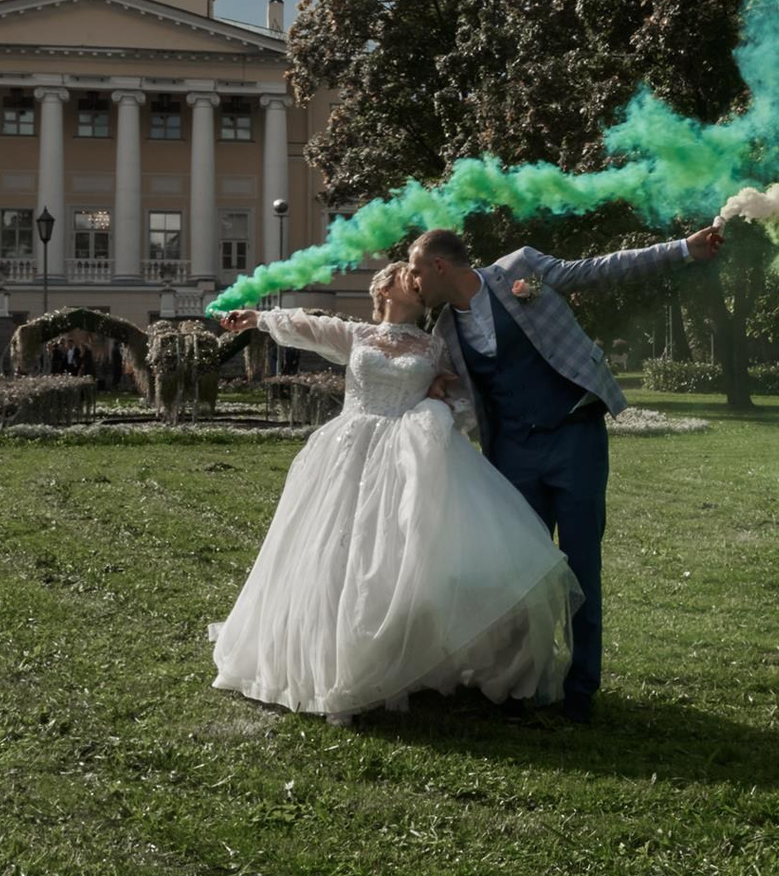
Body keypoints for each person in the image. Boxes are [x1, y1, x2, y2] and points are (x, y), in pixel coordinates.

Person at [211, 264, 582, 724]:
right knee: (338, 555)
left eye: (421, 272)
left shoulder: (436, 345)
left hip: (410, 457)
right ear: (384, 286)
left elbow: (467, 398)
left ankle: (398, 653)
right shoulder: (357, 334)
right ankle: (337, 663)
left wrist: (441, 401)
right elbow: (305, 326)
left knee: (399, 556)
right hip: (350, 453)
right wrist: (256, 318)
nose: (417, 277)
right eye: (407, 271)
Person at [408, 222, 721, 724]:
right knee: (517, 574)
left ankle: (580, 691)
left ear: (439, 265)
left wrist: (684, 249)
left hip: (574, 436)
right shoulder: (442, 332)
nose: (412, 280)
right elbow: (467, 394)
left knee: (580, 564)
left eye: (417, 269)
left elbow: (600, 269)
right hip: (511, 455)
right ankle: (519, 684)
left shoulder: (520, 269)